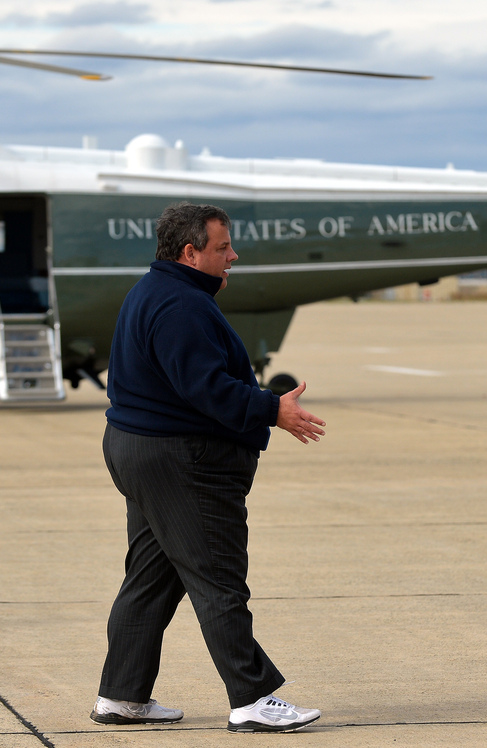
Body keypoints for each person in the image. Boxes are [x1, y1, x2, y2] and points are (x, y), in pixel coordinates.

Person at [90, 202, 327, 734]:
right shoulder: (179, 305)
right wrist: (273, 409)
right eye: (222, 248)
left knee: (151, 578)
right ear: (190, 252)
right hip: (180, 461)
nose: (233, 256)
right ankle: (252, 698)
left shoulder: (156, 290)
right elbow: (206, 389)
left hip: (140, 450)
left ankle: (121, 696)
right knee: (217, 575)